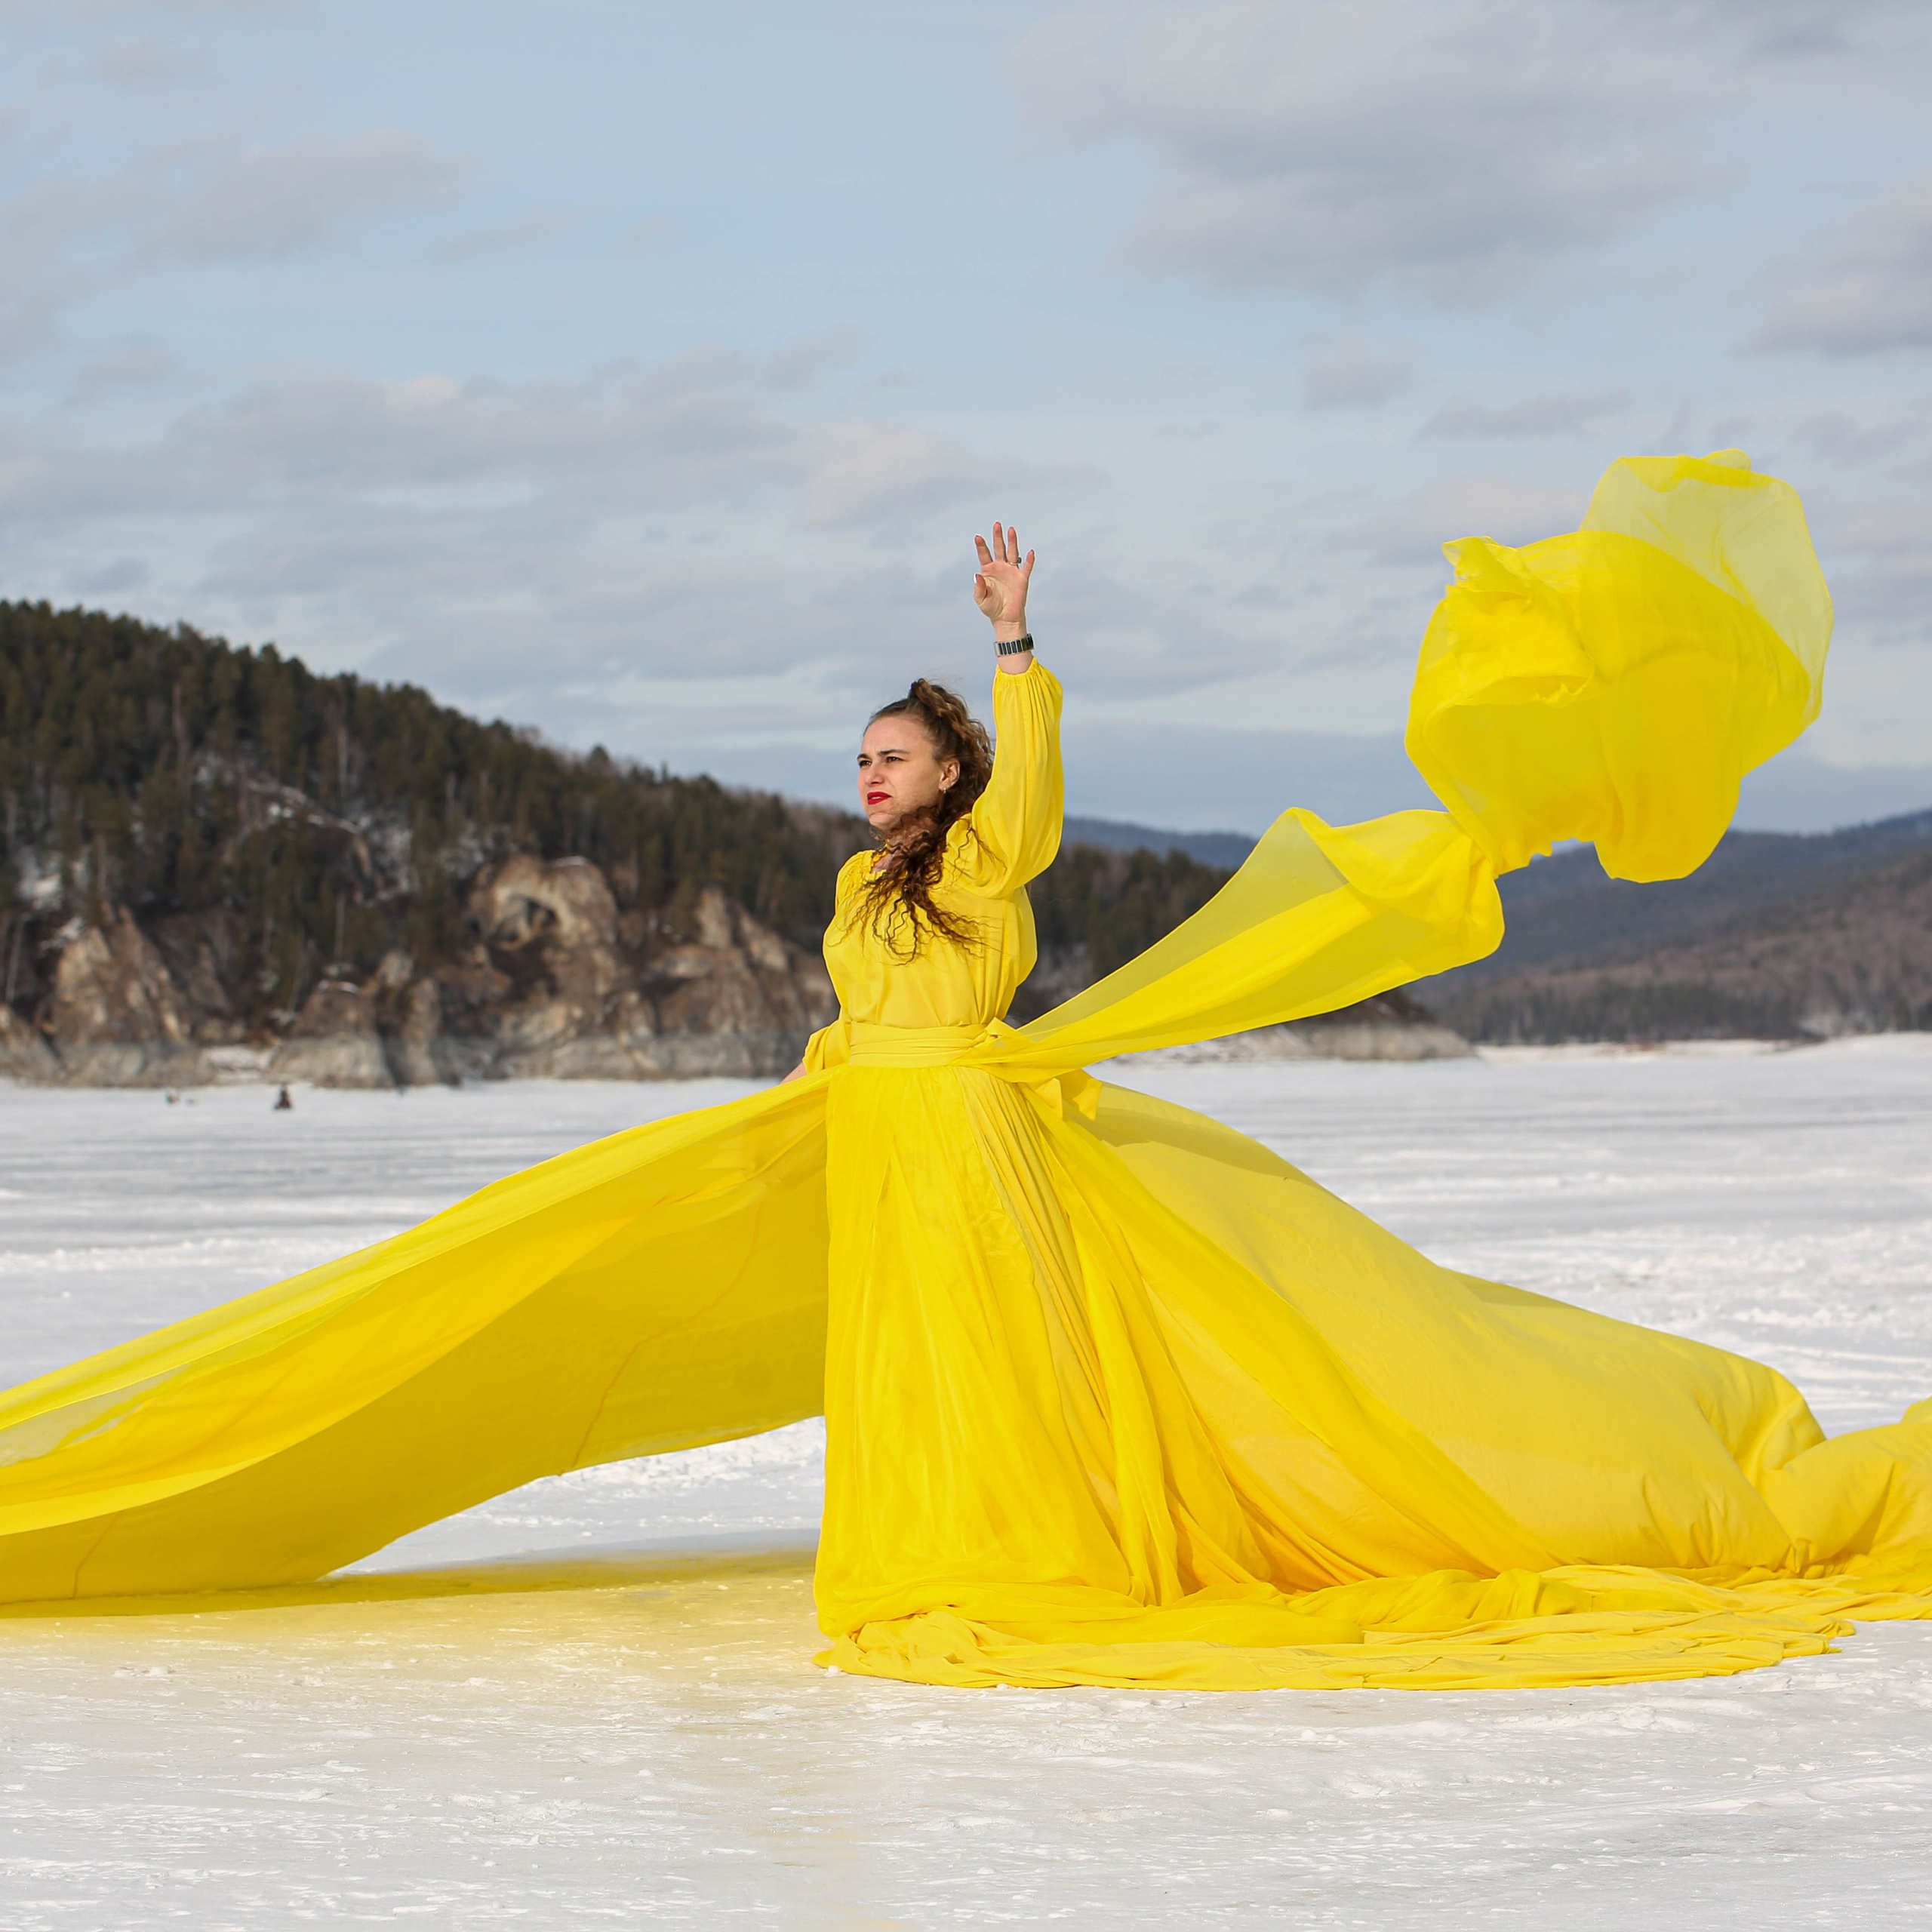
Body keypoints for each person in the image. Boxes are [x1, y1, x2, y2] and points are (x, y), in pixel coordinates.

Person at [2, 456, 1929, 1694]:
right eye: (860, 761)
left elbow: (1029, 802)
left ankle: (1008, 1554)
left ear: (950, 775)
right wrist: (822, 1063)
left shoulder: (988, 855)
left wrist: (1015, 643)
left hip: (981, 1141)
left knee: (1010, 1364)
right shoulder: (854, 882)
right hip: (869, 1131)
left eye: (893, 760)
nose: (868, 780)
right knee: (796, 1342)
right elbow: (857, 1006)